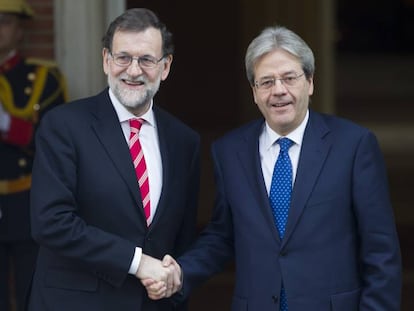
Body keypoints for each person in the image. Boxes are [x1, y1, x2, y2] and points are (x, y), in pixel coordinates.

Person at [144, 25, 403, 310]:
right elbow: (222, 236)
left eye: (289, 78)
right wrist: (180, 272)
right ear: (254, 92)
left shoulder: (353, 146)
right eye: (266, 82)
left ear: (310, 83)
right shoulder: (229, 152)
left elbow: (381, 252)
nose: (278, 90)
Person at [26, 7, 199, 311]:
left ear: (166, 66)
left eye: (146, 59)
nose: (133, 71)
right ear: (106, 60)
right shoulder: (64, 126)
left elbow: (182, 238)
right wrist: (138, 262)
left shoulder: (184, 141)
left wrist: (174, 277)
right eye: (123, 57)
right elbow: (50, 222)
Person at [0, 0, 68, 310]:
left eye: (4, 21)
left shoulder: (43, 77)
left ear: (20, 30)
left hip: (25, 200)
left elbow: (52, 143)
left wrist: (7, 125)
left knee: (31, 288)